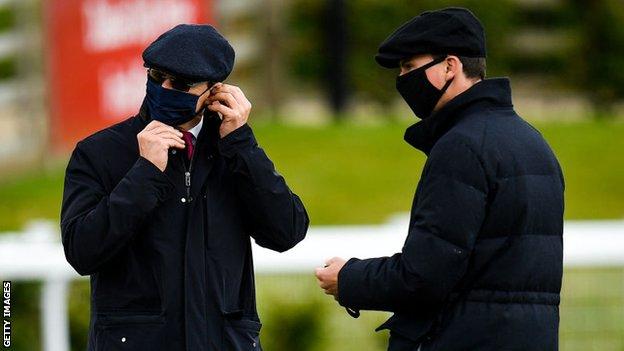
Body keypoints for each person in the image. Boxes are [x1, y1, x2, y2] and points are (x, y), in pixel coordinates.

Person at [315, 8, 564, 351]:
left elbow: (424, 277)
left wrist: (349, 278)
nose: (402, 80)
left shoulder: (461, 147)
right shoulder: (534, 143)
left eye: (409, 68)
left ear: (450, 66)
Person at [61, 24, 309, 351]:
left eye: (179, 83)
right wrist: (145, 173)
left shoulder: (233, 151)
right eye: (155, 76)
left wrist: (242, 145)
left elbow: (287, 231)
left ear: (214, 91)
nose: (164, 88)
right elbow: (81, 251)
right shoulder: (98, 152)